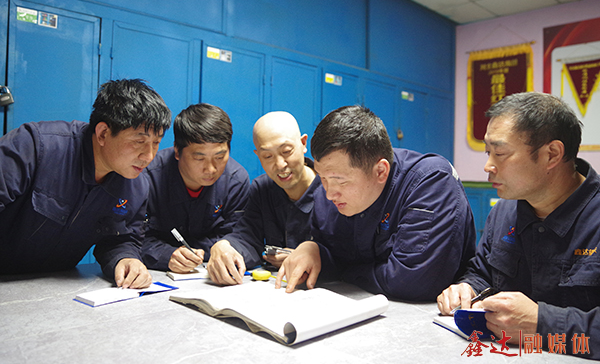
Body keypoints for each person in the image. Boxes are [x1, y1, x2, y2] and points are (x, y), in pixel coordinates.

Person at [437, 92, 599, 359]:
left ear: (552, 154)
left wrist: (541, 323)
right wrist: (467, 288)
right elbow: (482, 272)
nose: (488, 166)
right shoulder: (504, 211)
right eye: (488, 152)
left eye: (500, 153)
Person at [276, 105, 476, 301]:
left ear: (380, 171)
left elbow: (411, 282)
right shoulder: (326, 192)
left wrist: (344, 271)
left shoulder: (430, 182)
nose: (329, 194)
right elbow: (333, 254)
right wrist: (314, 251)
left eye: (340, 181)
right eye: (322, 178)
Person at [0, 79, 171, 288]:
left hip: (50, 289)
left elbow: (120, 239)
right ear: (103, 134)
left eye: (156, 143)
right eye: (139, 142)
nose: (149, 156)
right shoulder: (36, 147)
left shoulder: (136, 186)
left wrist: (126, 259)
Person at [206, 111, 321, 285]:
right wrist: (225, 246)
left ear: (303, 143)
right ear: (258, 155)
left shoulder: (331, 189)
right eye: (268, 156)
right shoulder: (262, 188)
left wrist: (310, 257)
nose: (280, 165)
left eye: (286, 151)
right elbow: (248, 237)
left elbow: (347, 252)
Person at [141, 103, 250, 273]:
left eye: (220, 157)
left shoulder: (236, 181)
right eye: (199, 158)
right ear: (177, 151)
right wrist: (166, 255)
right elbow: (132, 238)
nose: (211, 169)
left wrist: (223, 247)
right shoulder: (148, 177)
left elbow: (242, 237)